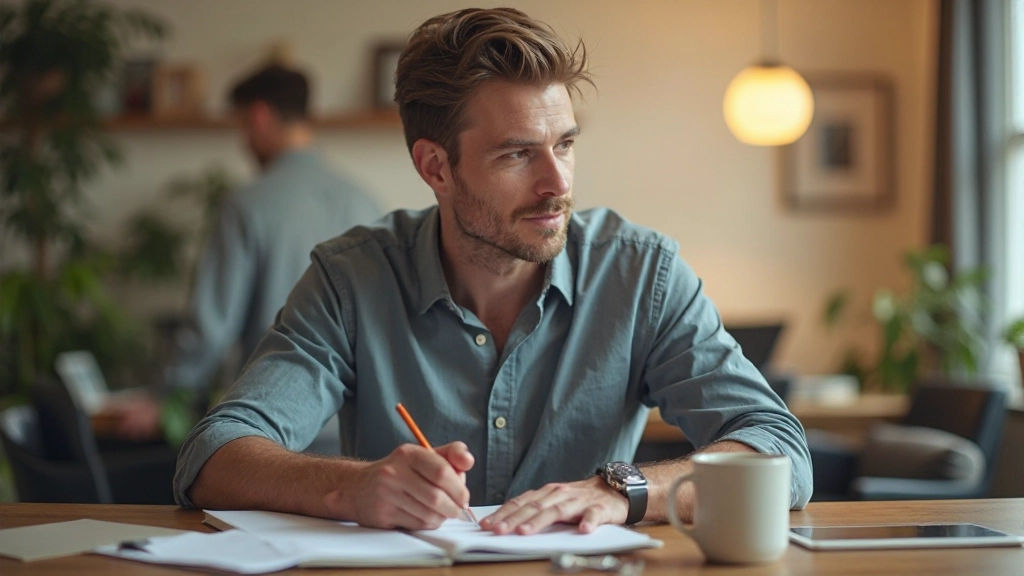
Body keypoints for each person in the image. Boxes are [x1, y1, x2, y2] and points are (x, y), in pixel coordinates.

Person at [174, 8, 812, 534]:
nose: (556, 183)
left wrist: (626, 490)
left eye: (565, 144)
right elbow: (214, 454)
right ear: (436, 168)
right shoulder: (351, 280)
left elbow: (780, 447)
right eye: (517, 154)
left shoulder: (641, 275)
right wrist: (355, 488)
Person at [106, 64, 382, 442]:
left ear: (259, 116)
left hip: (275, 427)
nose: (244, 142)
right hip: (358, 429)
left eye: (241, 127)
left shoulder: (247, 205)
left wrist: (163, 397)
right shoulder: (366, 203)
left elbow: (211, 326)